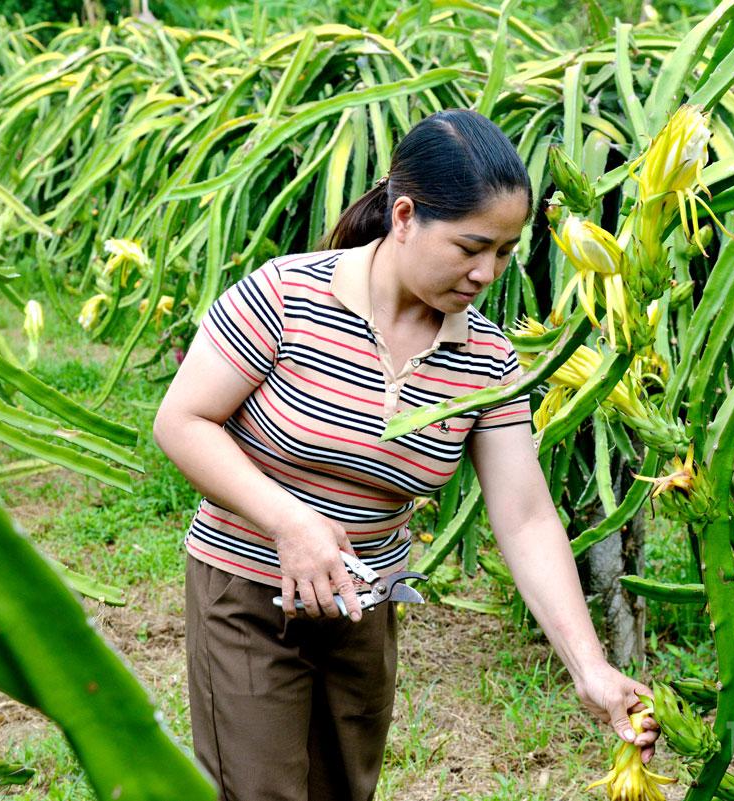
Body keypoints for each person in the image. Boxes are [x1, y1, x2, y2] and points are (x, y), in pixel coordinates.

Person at [154, 108, 658, 801]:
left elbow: (526, 515)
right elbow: (182, 420)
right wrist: (289, 521)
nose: (487, 272)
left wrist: (589, 665)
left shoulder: (487, 358)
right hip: (245, 590)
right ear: (404, 215)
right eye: (470, 246)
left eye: (506, 251)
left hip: (364, 605)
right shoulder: (285, 295)